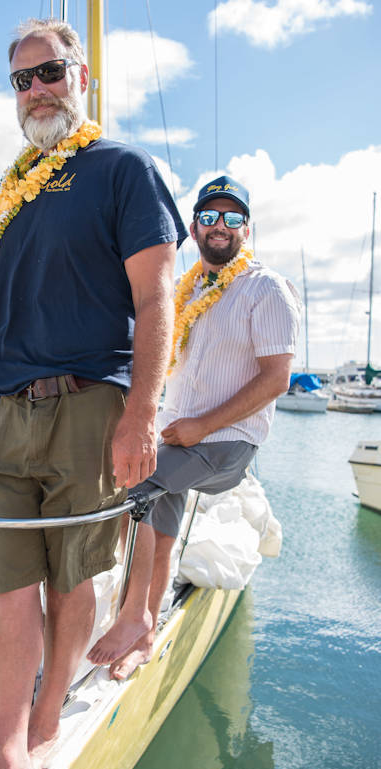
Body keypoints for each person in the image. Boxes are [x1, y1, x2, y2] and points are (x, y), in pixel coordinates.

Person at [0, 18, 186, 769]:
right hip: (9, 410)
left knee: (72, 575)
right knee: (8, 578)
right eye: (21, 80)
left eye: (50, 73)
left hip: (89, 402)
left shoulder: (122, 170)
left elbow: (156, 299)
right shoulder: (14, 189)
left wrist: (141, 412)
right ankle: (5, 753)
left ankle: (42, 724)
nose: (36, 90)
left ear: (81, 78)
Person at [92, 175, 300, 681]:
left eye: (232, 218)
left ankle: (133, 614)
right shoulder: (185, 293)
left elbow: (277, 379)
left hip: (227, 443)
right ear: (194, 227)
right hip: (180, 437)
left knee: (137, 481)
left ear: (246, 230)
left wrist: (200, 426)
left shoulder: (265, 289)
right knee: (160, 526)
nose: (220, 226)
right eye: (210, 217)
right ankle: (144, 632)